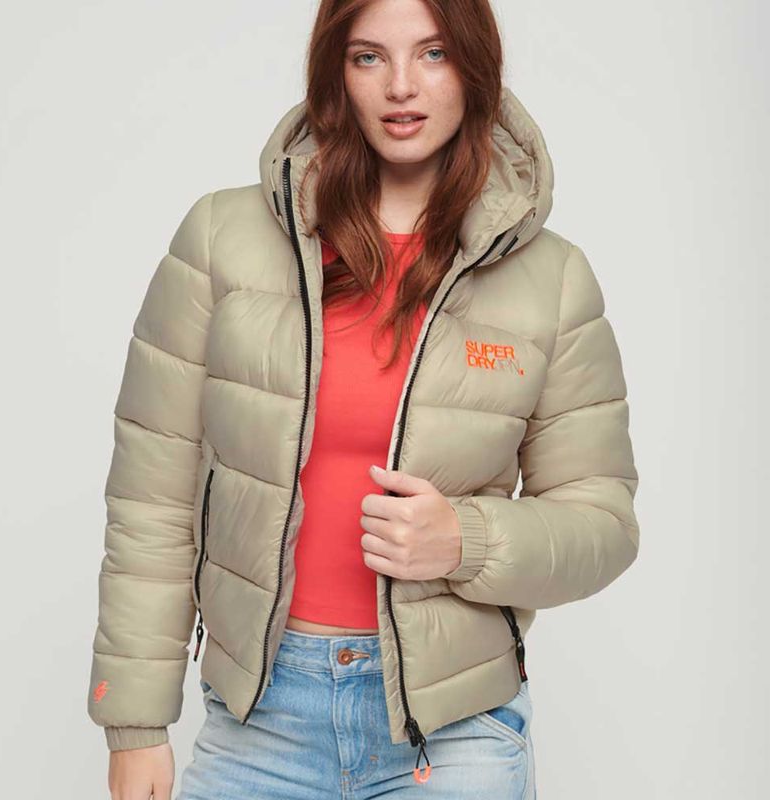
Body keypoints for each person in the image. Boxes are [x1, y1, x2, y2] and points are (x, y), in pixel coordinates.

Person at [88, 0, 641, 797]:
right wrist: (135, 723)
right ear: (334, 72)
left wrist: (466, 540)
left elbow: (604, 523)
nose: (401, 85)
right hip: (260, 722)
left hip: (453, 733)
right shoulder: (221, 238)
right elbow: (153, 494)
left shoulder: (552, 280)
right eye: (368, 56)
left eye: (434, 53)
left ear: (475, 67)